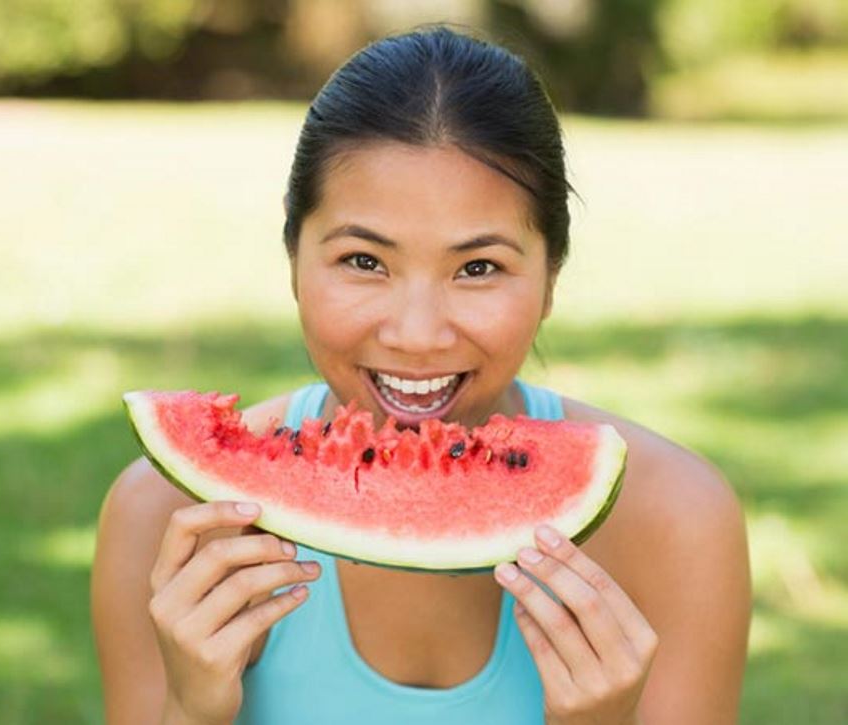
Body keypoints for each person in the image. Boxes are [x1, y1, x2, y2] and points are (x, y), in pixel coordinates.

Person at [91, 24, 751, 725]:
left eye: (477, 268)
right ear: (293, 257)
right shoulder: (164, 516)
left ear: (550, 276)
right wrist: (191, 709)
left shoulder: (676, 520)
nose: (416, 333)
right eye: (363, 261)